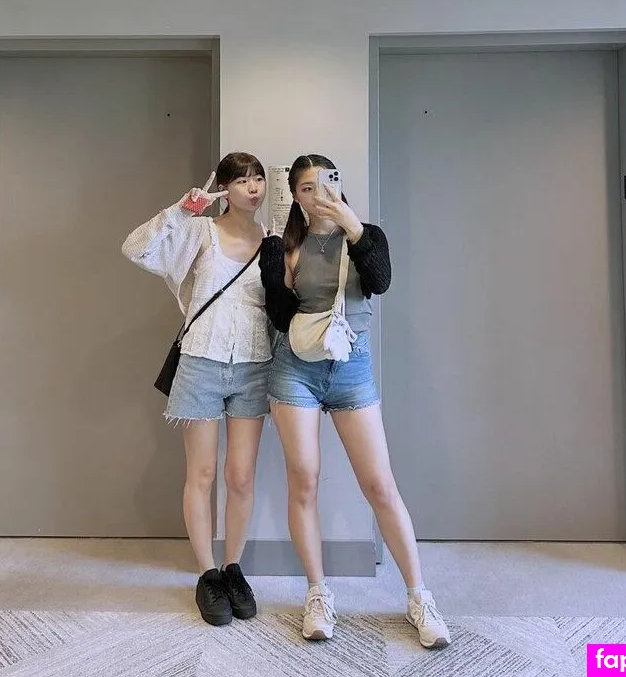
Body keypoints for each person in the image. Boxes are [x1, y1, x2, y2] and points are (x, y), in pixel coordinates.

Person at [259, 154, 451, 649]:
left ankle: (419, 597)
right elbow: (280, 317)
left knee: (380, 484)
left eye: (325, 183)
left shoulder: (368, 235)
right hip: (295, 368)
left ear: (338, 185)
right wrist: (279, 269)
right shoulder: (285, 245)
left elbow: (380, 282)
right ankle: (318, 594)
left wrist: (353, 227)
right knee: (304, 480)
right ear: (295, 196)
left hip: (351, 368)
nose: (316, 193)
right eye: (305, 188)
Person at [121, 152, 272, 628]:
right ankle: (207, 574)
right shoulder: (200, 231)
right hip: (201, 362)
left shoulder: (272, 239)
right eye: (242, 180)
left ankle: (233, 569)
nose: (253, 187)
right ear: (224, 188)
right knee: (202, 473)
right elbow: (135, 249)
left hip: (254, 365)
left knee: (241, 476)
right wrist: (183, 209)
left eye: (258, 179)